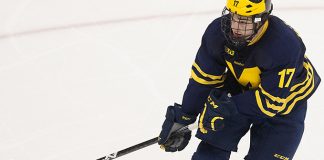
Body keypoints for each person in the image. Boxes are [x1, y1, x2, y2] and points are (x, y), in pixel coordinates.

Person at [158, 0, 321, 159]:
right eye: (234, 17)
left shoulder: (283, 45)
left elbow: (271, 103)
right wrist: (185, 116)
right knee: (208, 155)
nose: (235, 27)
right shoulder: (217, 32)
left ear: (261, 19)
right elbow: (203, 79)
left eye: (244, 21)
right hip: (237, 91)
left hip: (285, 105)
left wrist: (226, 107)